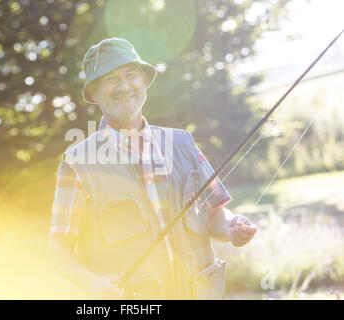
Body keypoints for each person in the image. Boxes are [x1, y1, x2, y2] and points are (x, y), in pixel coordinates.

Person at [48, 38, 257, 299]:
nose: (124, 86)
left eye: (131, 75)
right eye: (111, 79)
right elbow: (58, 248)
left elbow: (215, 213)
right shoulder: (77, 164)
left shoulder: (184, 144)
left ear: (144, 82)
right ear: (95, 92)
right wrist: (92, 284)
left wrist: (231, 227)